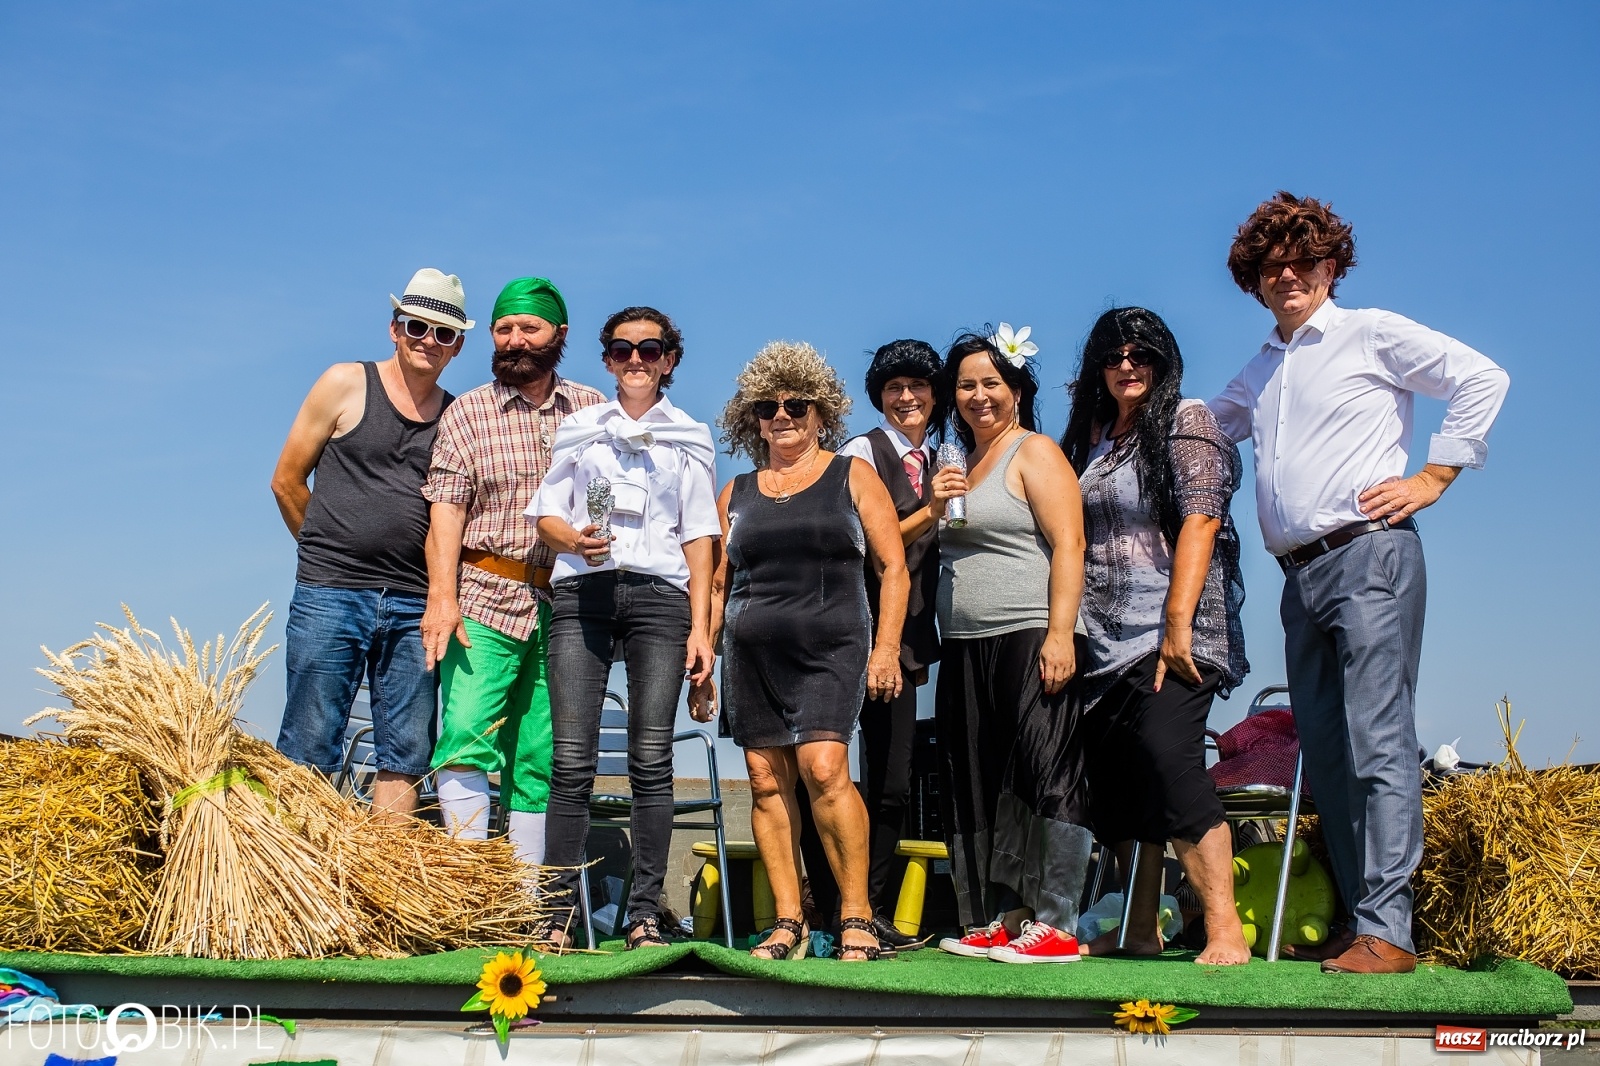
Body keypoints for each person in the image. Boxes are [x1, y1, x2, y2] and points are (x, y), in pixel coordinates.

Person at [1211, 192, 1509, 974]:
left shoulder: (1371, 332)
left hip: (1370, 554)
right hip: (1297, 577)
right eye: (1271, 266)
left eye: (1304, 261)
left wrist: (1438, 472)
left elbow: (1483, 376)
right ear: (1254, 280)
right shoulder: (1262, 369)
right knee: (1331, 754)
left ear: (1331, 265)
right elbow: (1205, 426)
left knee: (1379, 741)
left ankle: (1391, 931)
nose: (1289, 276)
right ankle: (1356, 920)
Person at [692, 341, 909, 962]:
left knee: (823, 767)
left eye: (796, 404)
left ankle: (857, 916)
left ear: (821, 413)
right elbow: (713, 584)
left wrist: (887, 647)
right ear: (750, 417)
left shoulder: (852, 474)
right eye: (767, 406)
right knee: (764, 779)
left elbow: (894, 567)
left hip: (834, 644)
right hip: (751, 650)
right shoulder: (735, 492)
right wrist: (702, 653)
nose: (781, 416)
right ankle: (788, 920)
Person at [1061, 306, 1251, 965]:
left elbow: (1201, 520)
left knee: (1172, 767)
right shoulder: (1093, 437)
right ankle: (1141, 928)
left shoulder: (1185, 419)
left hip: (1175, 633)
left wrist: (1177, 624)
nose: (1126, 365)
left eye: (1141, 353)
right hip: (1102, 639)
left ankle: (1225, 930)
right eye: (1113, 356)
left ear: (1163, 359)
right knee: (1121, 788)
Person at [529, 307, 720, 949]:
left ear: (669, 359)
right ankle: (555, 916)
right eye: (621, 349)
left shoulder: (690, 436)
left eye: (649, 348)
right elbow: (548, 516)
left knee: (650, 759)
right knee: (573, 760)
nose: (635, 359)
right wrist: (574, 539)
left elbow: (699, 536)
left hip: (661, 597)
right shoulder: (581, 429)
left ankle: (642, 912)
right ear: (607, 360)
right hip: (585, 589)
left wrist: (702, 628)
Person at [420, 277, 606, 872]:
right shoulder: (467, 413)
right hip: (482, 594)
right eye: (504, 329)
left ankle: (524, 901)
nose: (515, 340)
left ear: (560, 335)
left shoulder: (592, 409)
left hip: (568, 606)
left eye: (530, 328)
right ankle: (473, 886)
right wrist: (441, 599)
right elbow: (445, 511)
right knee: (467, 732)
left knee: (542, 754)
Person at [270, 268, 466, 822]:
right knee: (311, 742)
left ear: (458, 347)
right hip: (331, 594)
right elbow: (286, 480)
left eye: (443, 333)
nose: (428, 340)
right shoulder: (344, 383)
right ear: (394, 328)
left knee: (405, 750)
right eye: (417, 326)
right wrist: (324, 550)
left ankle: (384, 888)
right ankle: (295, 876)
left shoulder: (456, 416)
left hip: (415, 603)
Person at [933, 329, 1092, 964]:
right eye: (966, 386)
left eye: (991, 384)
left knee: (1047, 773)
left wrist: (1060, 635)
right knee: (979, 778)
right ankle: (1005, 914)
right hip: (966, 642)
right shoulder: (956, 466)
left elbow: (1071, 545)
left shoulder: (1036, 453)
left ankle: (1058, 921)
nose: (978, 396)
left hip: (1030, 632)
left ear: (1018, 391)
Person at [793, 339, 943, 947]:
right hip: (850, 629)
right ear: (878, 396)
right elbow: (868, 545)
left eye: (917, 386)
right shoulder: (860, 453)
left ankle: (870, 907)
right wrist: (933, 510)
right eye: (892, 389)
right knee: (824, 769)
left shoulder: (941, 457)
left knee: (891, 777)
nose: (906, 398)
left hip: (904, 636)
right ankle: (829, 905)